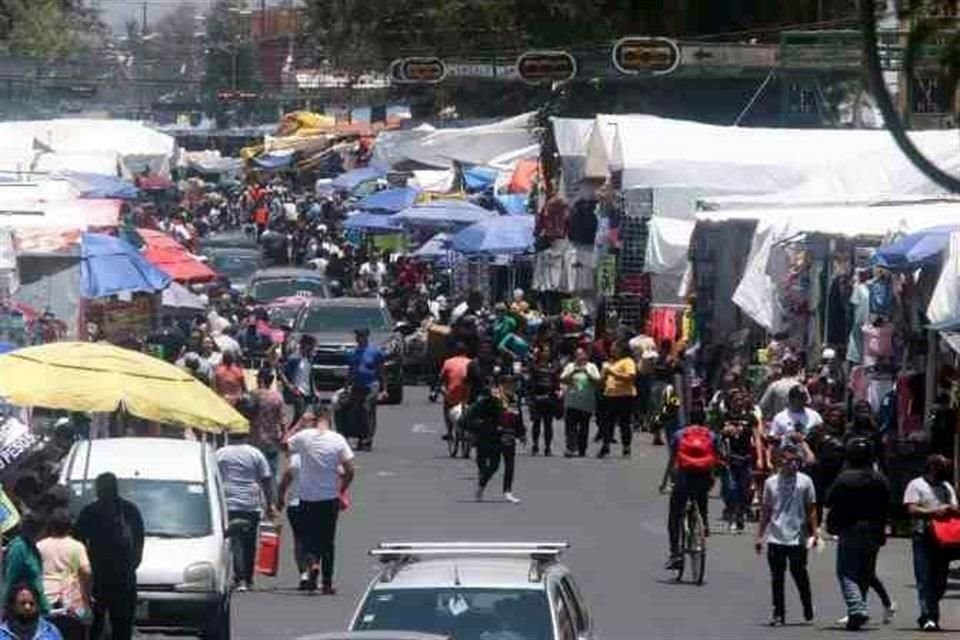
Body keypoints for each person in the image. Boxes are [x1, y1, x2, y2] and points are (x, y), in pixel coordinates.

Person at [284, 407, 355, 594]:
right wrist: (342, 490)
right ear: (329, 420)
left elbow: (283, 444)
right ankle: (327, 583)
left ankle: (313, 564)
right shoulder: (338, 439)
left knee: (307, 539)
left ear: (314, 420)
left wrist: (298, 424)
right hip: (329, 498)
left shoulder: (304, 436)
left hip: (307, 497)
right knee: (328, 541)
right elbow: (350, 471)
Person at [825, 438, 891, 630]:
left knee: (847, 572)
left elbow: (829, 500)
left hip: (850, 528)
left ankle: (856, 608)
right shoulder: (879, 478)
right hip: (874, 530)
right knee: (865, 572)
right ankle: (857, 612)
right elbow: (888, 503)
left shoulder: (844, 478)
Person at [74, 473, 144, 640]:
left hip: (107, 576)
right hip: (113, 576)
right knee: (112, 625)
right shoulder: (128, 510)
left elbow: (78, 542)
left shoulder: (92, 511)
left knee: (102, 624)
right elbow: (139, 541)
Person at [755, 444, 817, 627]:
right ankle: (778, 613)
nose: (792, 464)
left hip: (798, 537)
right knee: (777, 577)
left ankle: (807, 605)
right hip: (776, 537)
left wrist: (815, 533)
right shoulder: (770, 483)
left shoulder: (805, 481)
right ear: (779, 461)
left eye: (795, 461)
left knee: (799, 573)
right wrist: (760, 536)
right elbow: (765, 510)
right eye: (788, 460)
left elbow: (811, 508)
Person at [903, 454, 959, 631]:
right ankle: (929, 616)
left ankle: (930, 609)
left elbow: (955, 506)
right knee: (924, 579)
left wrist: (951, 509)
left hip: (943, 539)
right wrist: (934, 511)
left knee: (940, 580)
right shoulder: (916, 485)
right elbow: (911, 508)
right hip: (923, 537)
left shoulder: (946, 486)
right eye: (941, 466)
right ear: (932, 467)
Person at [216, 431, 274, 592]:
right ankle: (247, 578)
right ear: (246, 436)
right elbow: (266, 479)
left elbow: (214, 477)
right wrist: (270, 504)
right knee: (249, 542)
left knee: (235, 541)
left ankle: (239, 576)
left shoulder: (220, 453)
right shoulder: (255, 453)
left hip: (228, 503)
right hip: (250, 504)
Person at [665, 409, 718, 570]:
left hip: (684, 477)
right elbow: (715, 459)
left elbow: (673, 460)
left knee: (674, 515)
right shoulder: (711, 435)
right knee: (701, 497)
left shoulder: (680, 434)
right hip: (703, 477)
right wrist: (713, 478)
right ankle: (704, 522)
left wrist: (664, 481)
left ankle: (675, 554)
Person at [467, 375, 525, 504]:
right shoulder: (493, 397)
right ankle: (481, 486)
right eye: (510, 384)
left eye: (514, 384)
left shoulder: (514, 398)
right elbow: (482, 413)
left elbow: (517, 416)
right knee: (494, 465)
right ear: (502, 384)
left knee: (510, 464)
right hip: (495, 434)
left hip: (509, 433)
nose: (513, 387)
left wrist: (521, 433)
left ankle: (508, 491)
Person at [38, 509, 92, 640]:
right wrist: (86, 596)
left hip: (45, 599)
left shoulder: (40, 545)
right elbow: (86, 572)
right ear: (70, 526)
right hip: (70, 601)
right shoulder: (76, 546)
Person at [719, 390, 756, 533]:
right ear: (730, 402)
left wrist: (759, 457)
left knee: (744, 489)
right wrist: (724, 431)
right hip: (727, 458)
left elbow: (756, 437)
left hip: (745, 458)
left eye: (741, 400)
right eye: (736, 400)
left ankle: (740, 515)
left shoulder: (750, 417)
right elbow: (714, 433)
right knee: (730, 488)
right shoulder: (723, 417)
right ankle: (731, 515)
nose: (739, 402)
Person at [2, 513, 50, 616]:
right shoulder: (19, 548)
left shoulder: (31, 547)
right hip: (19, 610)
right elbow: (11, 579)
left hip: (33, 606)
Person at [347, 328, 385, 451]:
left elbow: (381, 371)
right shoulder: (354, 352)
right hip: (358, 385)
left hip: (372, 385)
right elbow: (351, 370)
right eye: (357, 336)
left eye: (360, 336)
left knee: (367, 408)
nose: (358, 338)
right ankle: (360, 436)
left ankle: (368, 438)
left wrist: (384, 388)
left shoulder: (375, 352)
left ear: (366, 336)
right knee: (356, 411)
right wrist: (347, 385)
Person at [559, 347, 601, 458]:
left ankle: (582, 449)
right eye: (578, 355)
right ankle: (571, 447)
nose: (580, 357)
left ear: (586, 356)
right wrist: (573, 372)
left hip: (586, 404)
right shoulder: (570, 366)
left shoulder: (591, 367)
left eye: (582, 355)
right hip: (572, 403)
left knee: (584, 428)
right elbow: (562, 379)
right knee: (570, 428)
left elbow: (598, 382)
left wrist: (587, 373)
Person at [276, 453, 310, 590]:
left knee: (299, 540)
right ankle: (313, 566)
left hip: (295, 505)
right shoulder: (325, 456)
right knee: (316, 539)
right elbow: (342, 472)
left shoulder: (295, 459)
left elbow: (285, 480)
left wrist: (280, 499)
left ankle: (304, 574)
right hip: (318, 503)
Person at [598, 340, 636, 458]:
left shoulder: (627, 361)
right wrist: (603, 375)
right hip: (610, 395)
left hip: (624, 396)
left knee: (624, 423)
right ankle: (606, 445)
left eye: (614, 347)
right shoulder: (612, 362)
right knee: (607, 423)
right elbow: (601, 381)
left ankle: (626, 447)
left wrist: (612, 372)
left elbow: (631, 377)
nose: (612, 349)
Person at [250, 367, 286, 482]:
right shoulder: (277, 397)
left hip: (255, 438)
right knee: (271, 472)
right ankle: (271, 498)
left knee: (254, 472)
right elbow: (282, 420)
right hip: (272, 438)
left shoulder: (252, 395)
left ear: (261, 379)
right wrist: (284, 436)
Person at [527, 345, 559, 456]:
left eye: (548, 351)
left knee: (548, 424)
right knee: (536, 423)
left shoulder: (553, 366)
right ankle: (535, 445)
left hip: (549, 398)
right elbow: (531, 384)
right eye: (544, 351)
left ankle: (548, 447)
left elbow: (556, 382)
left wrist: (557, 394)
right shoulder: (534, 366)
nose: (546, 353)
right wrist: (531, 399)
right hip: (537, 397)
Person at [280, 335, 317, 428]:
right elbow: (282, 373)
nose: (313, 349)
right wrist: (289, 386)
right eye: (312, 346)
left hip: (307, 391)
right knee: (300, 415)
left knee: (300, 416)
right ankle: (289, 435)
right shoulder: (294, 358)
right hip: (297, 391)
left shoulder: (309, 359)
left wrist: (315, 390)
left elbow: (310, 376)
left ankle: (290, 433)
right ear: (305, 345)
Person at [439, 342, 472, 442]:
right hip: (468, 394)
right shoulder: (471, 362)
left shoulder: (448, 362)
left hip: (453, 395)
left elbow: (441, 378)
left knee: (446, 407)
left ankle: (449, 432)